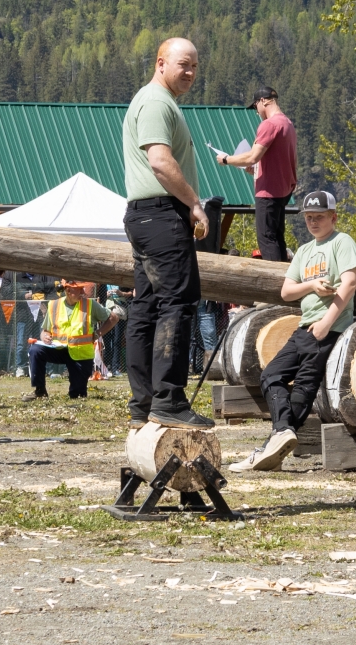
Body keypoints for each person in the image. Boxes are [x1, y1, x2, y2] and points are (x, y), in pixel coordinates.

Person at [121, 38, 213, 431]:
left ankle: (144, 402)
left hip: (145, 216)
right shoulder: (158, 102)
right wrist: (194, 202)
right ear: (161, 63)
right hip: (162, 214)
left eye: (194, 66)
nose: (189, 72)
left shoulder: (154, 100)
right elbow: (160, 161)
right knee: (178, 303)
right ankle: (169, 401)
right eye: (182, 64)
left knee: (147, 305)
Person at [232, 190, 356, 473]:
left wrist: (327, 322)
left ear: (333, 217)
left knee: (303, 388)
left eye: (320, 217)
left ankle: (273, 445)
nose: (313, 222)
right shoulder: (304, 251)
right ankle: (280, 435)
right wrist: (312, 286)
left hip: (329, 327)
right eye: (309, 217)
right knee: (271, 374)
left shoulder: (342, 242)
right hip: (304, 327)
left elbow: (350, 284)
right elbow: (287, 291)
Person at [216, 87, 297, 262]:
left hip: (268, 192)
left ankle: (273, 282)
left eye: (255, 107)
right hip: (283, 189)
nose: (256, 112)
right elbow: (278, 160)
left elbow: (252, 156)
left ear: (263, 101)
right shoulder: (287, 124)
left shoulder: (269, 124)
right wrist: (256, 170)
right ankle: (283, 278)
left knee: (266, 239)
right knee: (277, 237)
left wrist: (226, 159)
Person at [27, 282, 118, 399]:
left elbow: (113, 318)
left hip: (80, 355)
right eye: (79, 289)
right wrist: (44, 336)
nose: (83, 292)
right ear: (68, 291)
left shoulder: (90, 304)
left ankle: (76, 391)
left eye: (82, 289)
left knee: (77, 395)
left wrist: (97, 334)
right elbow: (44, 331)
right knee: (35, 350)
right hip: (59, 350)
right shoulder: (54, 305)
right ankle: (39, 391)